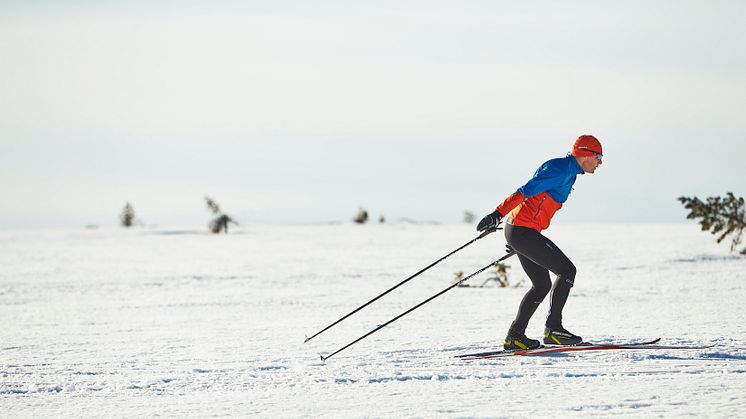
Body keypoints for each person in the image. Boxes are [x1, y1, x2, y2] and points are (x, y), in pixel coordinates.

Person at [476, 135, 603, 350]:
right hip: (522, 230)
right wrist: (497, 214)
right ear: (586, 153)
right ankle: (554, 330)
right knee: (567, 271)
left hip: (523, 231)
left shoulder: (569, 172)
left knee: (542, 284)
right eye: (598, 157)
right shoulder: (559, 170)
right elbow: (524, 191)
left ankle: (515, 337)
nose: (600, 162)